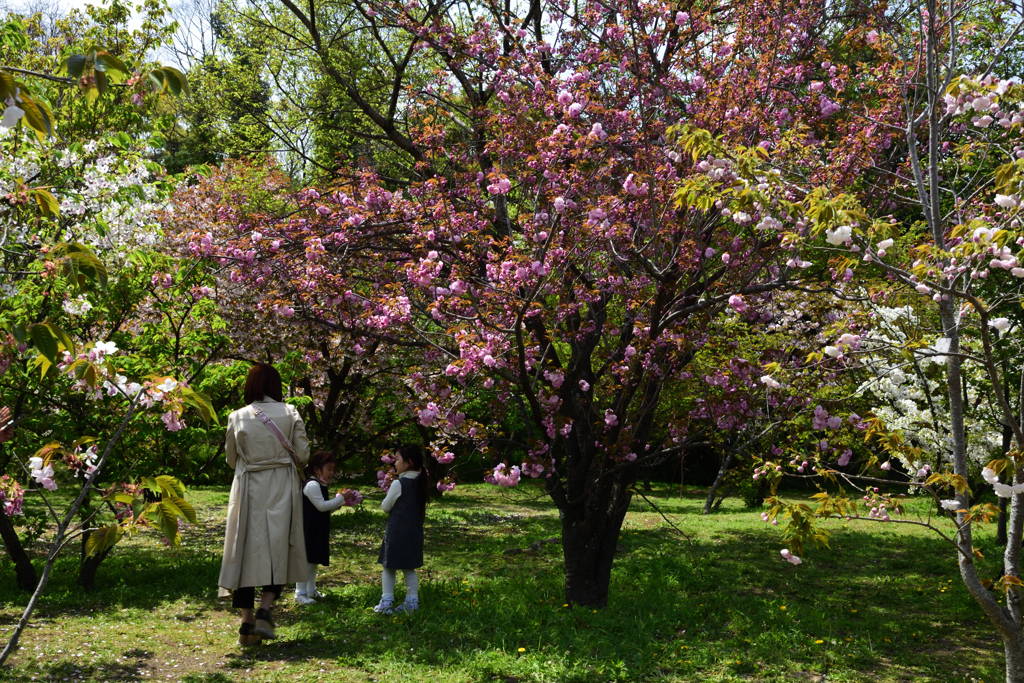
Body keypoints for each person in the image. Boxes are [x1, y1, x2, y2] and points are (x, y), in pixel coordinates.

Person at [218, 363, 310, 645]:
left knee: (244, 550)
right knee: (279, 544)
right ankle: (265, 608)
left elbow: (231, 460)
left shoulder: (237, 416)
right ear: (276, 386)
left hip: (248, 487)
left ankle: (246, 624)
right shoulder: (290, 412)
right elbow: (303, 454)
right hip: (282, 485)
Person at [374, 444, 428, 614]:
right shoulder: (420, 483)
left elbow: (385, 507)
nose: (395, 463)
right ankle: (412, 602)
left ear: (409, 462)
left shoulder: (399, 484)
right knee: (408, 568)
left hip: (396, 533)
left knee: (388, 566)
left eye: (397, 459)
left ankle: (386, 601)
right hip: (414, 532)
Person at [295, 450, 347, 605]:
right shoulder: (312, 485)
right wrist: (342, 498)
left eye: (333, 469)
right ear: (317, 469)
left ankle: (311, 590)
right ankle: (300, 593)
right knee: (306, 560)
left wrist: (339, 503)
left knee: (313, 560)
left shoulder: (321, 484)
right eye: (328, 469)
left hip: (317, 527)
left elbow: (323, 509)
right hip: (308, 527)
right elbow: (322, 506)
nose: (331, 473)